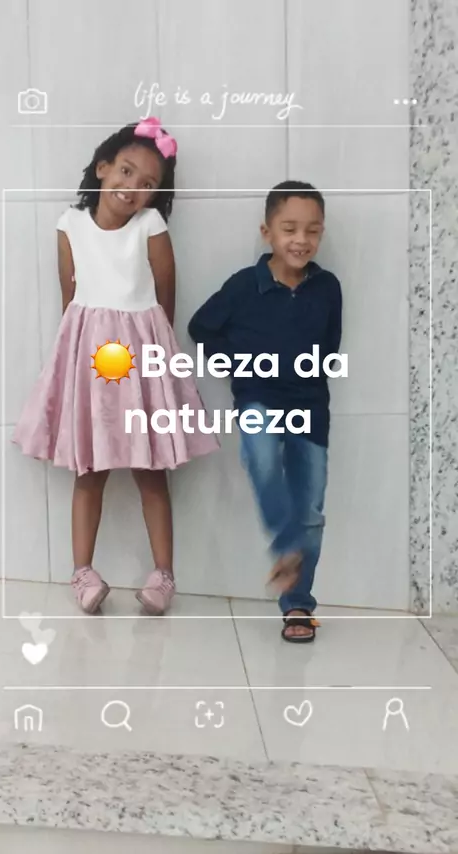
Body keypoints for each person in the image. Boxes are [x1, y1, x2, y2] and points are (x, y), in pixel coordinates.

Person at [12, 118, 219, 616]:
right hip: (91, 360)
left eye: (148, 183)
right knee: (91, 467)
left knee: (150, 469)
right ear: (103, 168)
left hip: (141, 357)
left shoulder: (150, 227)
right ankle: (82, 572)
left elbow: (165, 297)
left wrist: (155, 361)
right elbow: (70, 299)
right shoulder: (70, 224)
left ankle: (163, 574)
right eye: (126, 171)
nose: (133, 187)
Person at [188, 181, 342, 643]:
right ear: (267, 232)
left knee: (310, 509)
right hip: (257, 399)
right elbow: (200, 328)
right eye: (290, 229)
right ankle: (286, 546)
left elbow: (328, 347)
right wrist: (237, 365)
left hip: (310, 409)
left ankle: (297, 604)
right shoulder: (243, 286)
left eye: (312, 230)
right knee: (260, 456)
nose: (301, 240)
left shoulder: (328, 288)